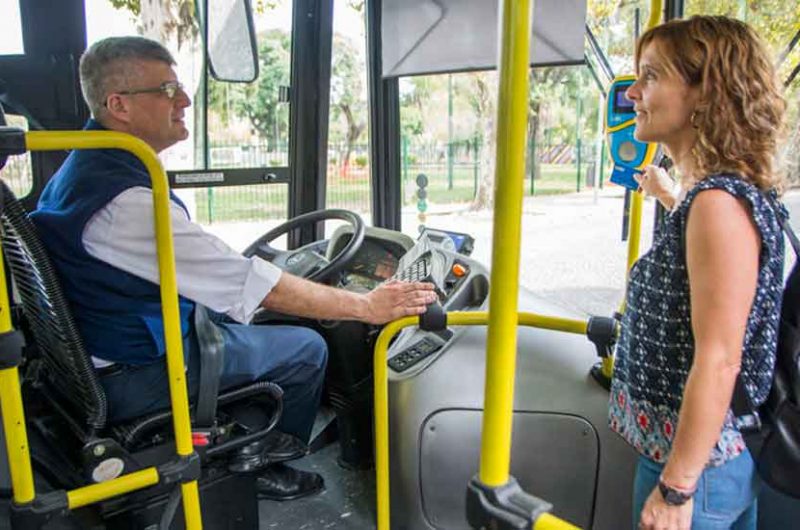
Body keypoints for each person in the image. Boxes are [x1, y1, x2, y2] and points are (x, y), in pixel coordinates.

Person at [29, 36, 437, 501]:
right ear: (118, 105)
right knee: (306, 347)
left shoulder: (84, 169)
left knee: (262, 323)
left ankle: (246, 436)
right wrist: (367, 305)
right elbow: (256, 286)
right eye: (166, 90)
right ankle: (263, 462)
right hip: (136, 373)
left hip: (103, 353)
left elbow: (208, 271)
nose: (183, 100)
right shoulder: (128, 204)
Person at [607, 16, 787, 530]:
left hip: (695, 467)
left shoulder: (717, 204)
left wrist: (675, 487)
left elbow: (720, 358)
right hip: (712, 457)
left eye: (651, 76)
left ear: (705, 95)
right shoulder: (718, 197)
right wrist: (670, 195)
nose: (634, 94)